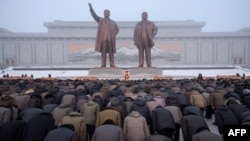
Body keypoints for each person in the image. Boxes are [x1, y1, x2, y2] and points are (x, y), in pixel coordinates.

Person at [88, 3, 119, 67]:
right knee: (103, 53)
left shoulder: (113, 22)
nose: (106, 14)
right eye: (105, 13)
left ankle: (112, 64)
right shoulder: (100, 20)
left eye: (107, 13)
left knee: (111, 53)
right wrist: (91, 9)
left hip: (110, 40)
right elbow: (95, 16)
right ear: (103, 14)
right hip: (103, 40)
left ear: (109, 14)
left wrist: (113, 34)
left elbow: (117, 30)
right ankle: (103, 64)